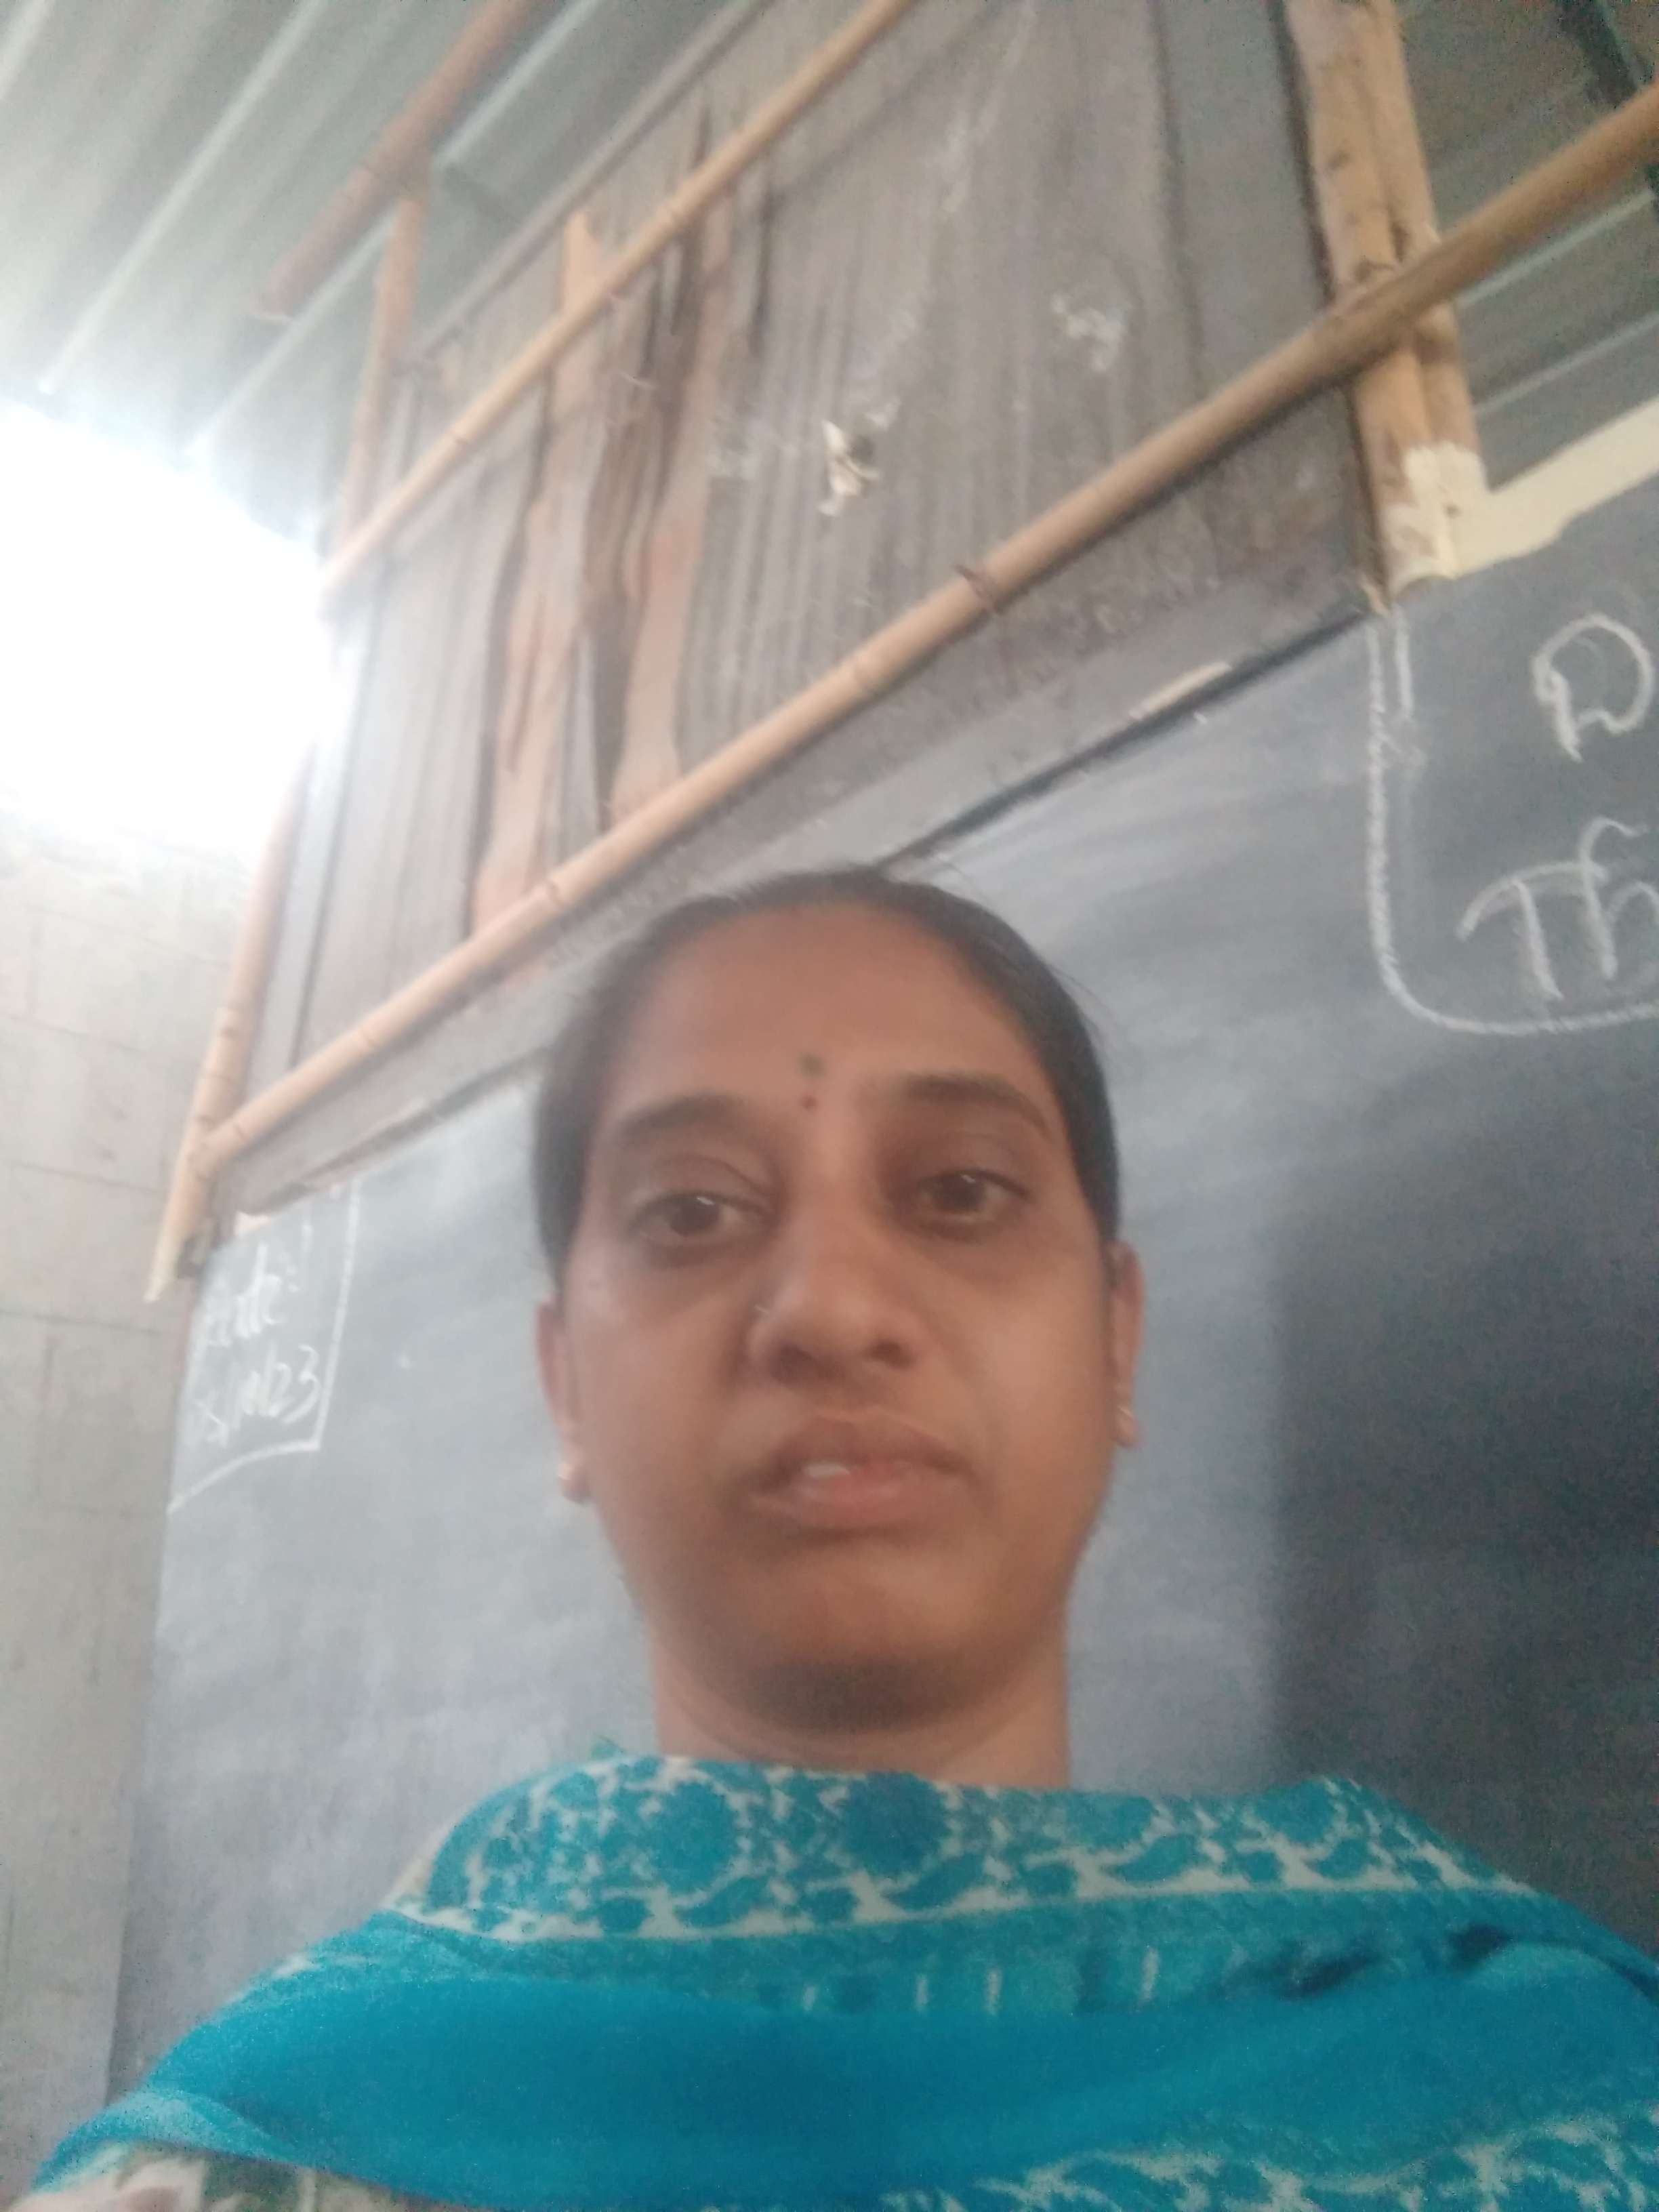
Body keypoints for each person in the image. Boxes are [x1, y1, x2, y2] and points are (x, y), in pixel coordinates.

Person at [21, 869, 1659, 2212]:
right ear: (566, 1389)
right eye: (692, 1212)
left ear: (1116, 1341)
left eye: (959, 1191)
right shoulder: (265, 2157)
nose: (831, 1309)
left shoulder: (1543, 2081)